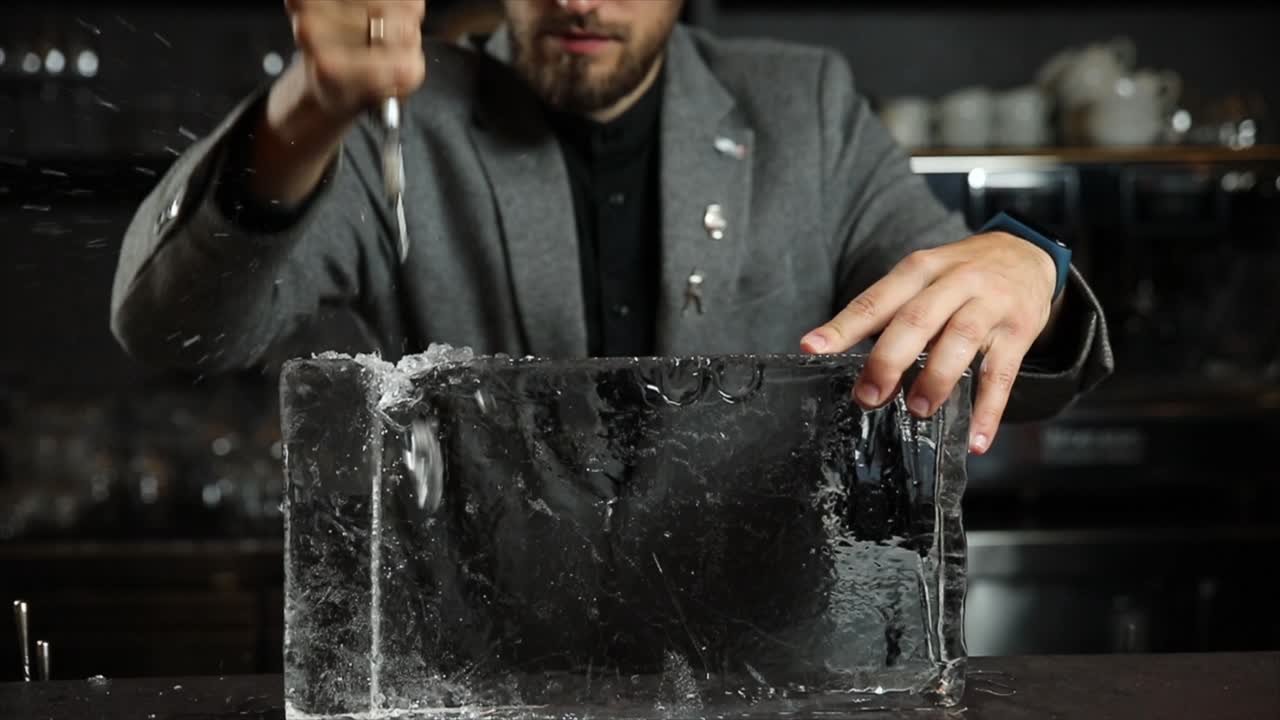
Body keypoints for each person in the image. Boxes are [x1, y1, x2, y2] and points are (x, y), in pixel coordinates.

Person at [111, 0, 1112, 455]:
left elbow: (977, 356)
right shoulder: (393, 123)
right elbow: (173, 327)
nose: (581, 0)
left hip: (755, 672)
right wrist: (304, 113)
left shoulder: (803, 105)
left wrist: (1031, 264)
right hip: (480, 673)